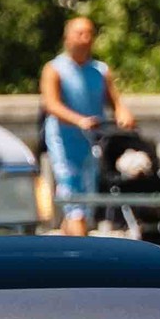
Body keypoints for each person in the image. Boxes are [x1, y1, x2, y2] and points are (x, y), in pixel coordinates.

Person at [38, 17, 134, 236]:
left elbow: (115, 102)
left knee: (86, 200)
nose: (85, 39)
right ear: (67, 37)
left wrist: (122, 113)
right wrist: (78, 120)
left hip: (91, 141)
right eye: (79, 33)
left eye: (90, 33)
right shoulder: (54, 69)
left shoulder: (100, 70)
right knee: (73, 198)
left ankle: (67, 245)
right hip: (64, 140)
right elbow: (51, 104)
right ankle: (80, 251)